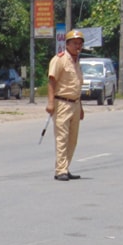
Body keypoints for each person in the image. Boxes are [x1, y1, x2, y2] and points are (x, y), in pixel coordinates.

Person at [46, 29, 85, 182]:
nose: (78, 46)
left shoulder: (77, 62)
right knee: (62, 137)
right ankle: (60, 170)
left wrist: (80, 108)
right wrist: (50, 103)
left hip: (74, 104)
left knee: (73, 139)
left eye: (80, 44)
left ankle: (66, 167)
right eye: (75, 43)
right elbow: (51, 81)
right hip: (62, 103)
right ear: (67, 44)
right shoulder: (59, 59)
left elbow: (77, 86)